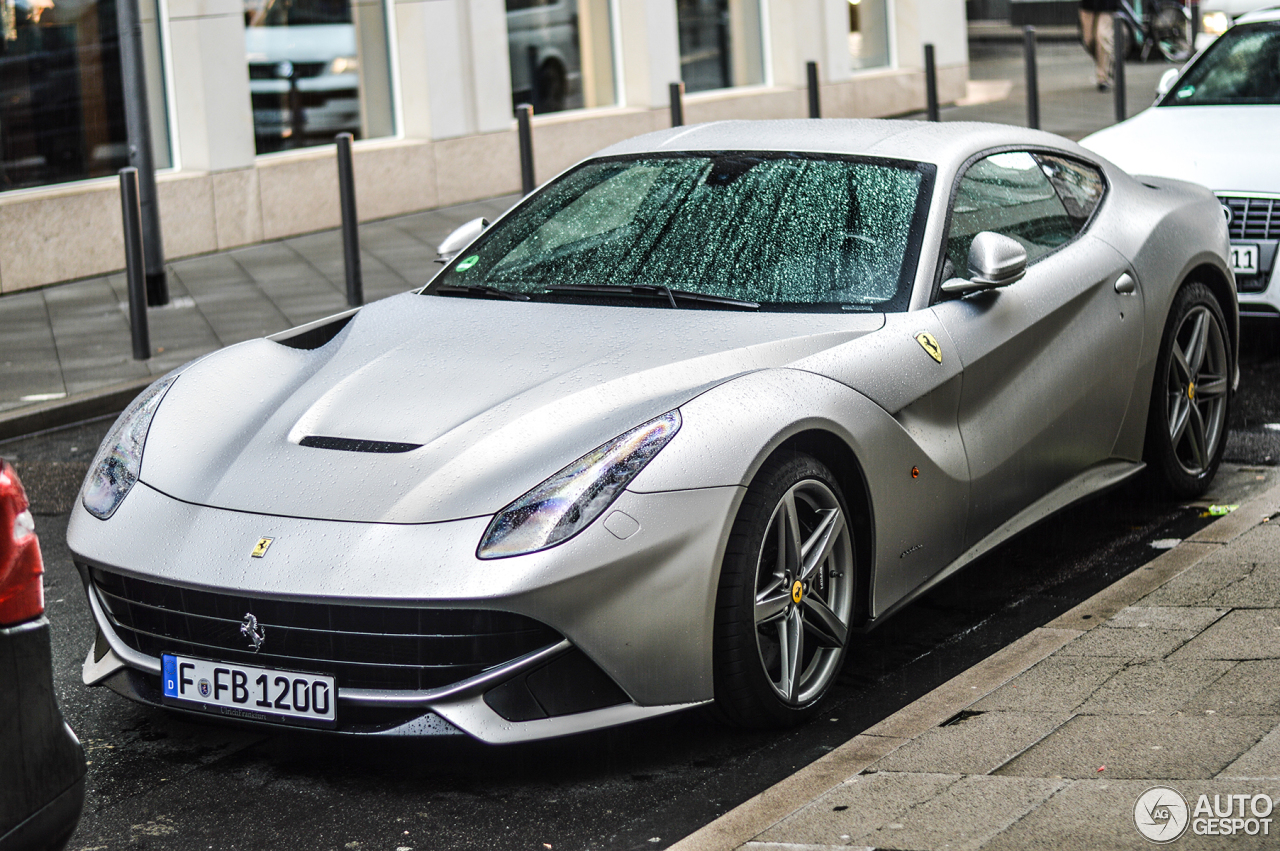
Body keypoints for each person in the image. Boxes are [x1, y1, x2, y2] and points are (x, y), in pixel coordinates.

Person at [1080, 0, 1120, 90]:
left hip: (1106, 4)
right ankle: (1107, 62)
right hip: (1088, 5)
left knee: (1103, 37)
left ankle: (1104, 77)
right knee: (1088, 40)